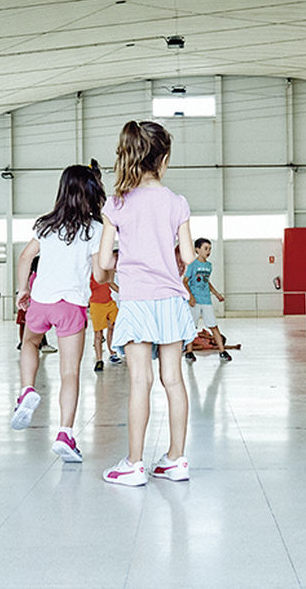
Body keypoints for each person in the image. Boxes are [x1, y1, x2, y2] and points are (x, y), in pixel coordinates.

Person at [97, 121, 197, 487]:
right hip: (171, 299)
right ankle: (176, 458)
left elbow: (106, 262)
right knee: (174, 379)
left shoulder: (117, 203)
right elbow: (187, 254)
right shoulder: (177, 202)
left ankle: (134, 464)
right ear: (164, 160)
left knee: (141, 380)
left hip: (137, 299)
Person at [10, 165, 107, 465]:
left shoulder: (46, 225)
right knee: (70, 372)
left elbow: (26, 256)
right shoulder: (96, 229)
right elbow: (100, 274)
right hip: (71, 304)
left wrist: (21, 290)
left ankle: (27, 389)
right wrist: (108, 269)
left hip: (40, 299)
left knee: (30, 343)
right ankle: (65, 433)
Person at [183, 237, 230, 363]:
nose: (208, 251)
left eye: (210, 249)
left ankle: (222, 351)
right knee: (191, 327)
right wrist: (191, 297)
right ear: (197, 250)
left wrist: (216, 294)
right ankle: (189, 352)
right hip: (195, 301)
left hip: (206, 301)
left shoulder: (209, 266)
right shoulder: (192, 265)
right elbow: (185, 282)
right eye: (205, 248)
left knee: (213, 326)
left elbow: (206, 281)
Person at [89, 254, 120, 372]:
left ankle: (112, 353)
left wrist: (125, 293)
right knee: (98, 334)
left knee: (113, 326)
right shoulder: (91, 275)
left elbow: (112, 284)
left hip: (109, 303)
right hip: (96, 305)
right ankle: (99, 360)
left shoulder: (107, 273)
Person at [15, 257, 51, 353]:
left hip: (30, 303)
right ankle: (41, 344)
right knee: (36, 326)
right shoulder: (36, 277)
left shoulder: (32, 276)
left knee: (31, 325)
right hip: (32, 304)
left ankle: (25, 343)